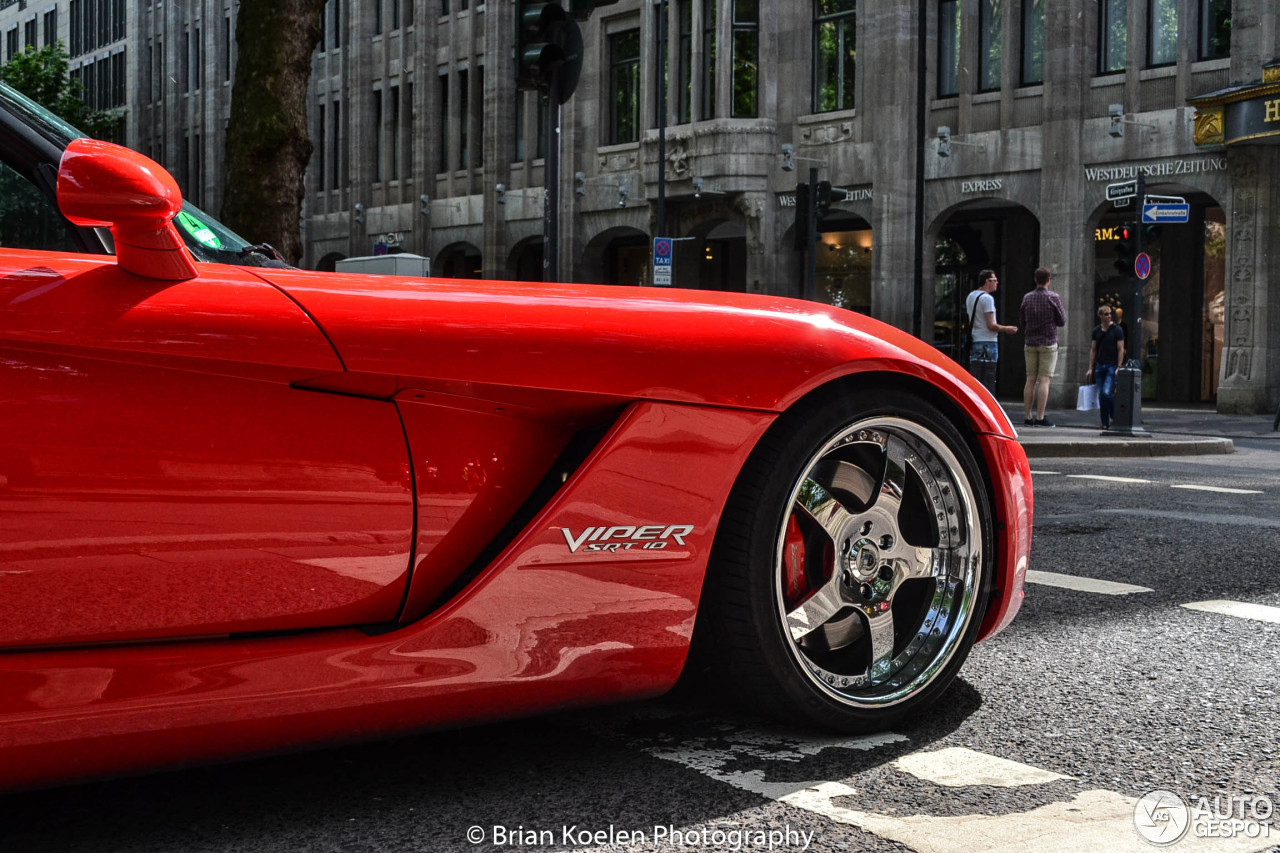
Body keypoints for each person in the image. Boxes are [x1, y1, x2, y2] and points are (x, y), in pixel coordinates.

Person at [1019, 267, 1066, 427]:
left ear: (1035, 279)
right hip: (1048, 342)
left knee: (1030, 379)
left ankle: (1027, 416)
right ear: (1049, 279)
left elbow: (1022, 320)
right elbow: (1062, 320)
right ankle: (1040, 417)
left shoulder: (1027, 297)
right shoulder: (1053, 297)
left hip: (1030, 342)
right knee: (1044, 380)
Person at [964, 269, 1018, 366]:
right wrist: (1007, 329)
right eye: (995, 280)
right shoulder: (987, 298)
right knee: (988, 376)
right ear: (987, 281)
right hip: (987, 342)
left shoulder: (970, 296)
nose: (997, 282)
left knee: (976, 375)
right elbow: (991, 325)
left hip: (975, 340)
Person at [1086, 305, 1126, 429]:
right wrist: (1090, 368)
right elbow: (1093, 350)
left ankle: (1115, 417)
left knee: (1106, 393)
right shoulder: (1096, 331)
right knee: (1101, 396)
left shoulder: (1117, 330)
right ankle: (1105, 423)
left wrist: (1119, 366)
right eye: (1106, 314)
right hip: (1100, 365)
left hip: (1112, 365)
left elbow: (1121, 349)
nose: (1109, 316)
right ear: (1100, 316)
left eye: (1109, 313)